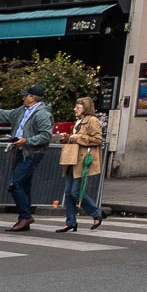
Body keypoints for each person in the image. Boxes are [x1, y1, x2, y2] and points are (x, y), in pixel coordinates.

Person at [0, 86, 56, 232]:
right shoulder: (22, 111)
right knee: (24, 185)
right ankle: (25, 218)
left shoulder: (42, 114)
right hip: (21, 150)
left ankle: (25, 217)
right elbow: (3, 114)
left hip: (32, 152)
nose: (23, 98)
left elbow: (46, 136)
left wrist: (27, 141)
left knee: (15, 184)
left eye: (25, 95)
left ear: (32, 97)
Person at [56, 96, 106, 232]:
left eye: (78, 107)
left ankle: (96, 213)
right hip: (72, 159)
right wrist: (66, 137)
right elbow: (75, 139)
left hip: (82, 160)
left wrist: (78, 137)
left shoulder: (92, 120)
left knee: (75, 192)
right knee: (68, 192)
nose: (75, 109)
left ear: (86, 108)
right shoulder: (78, 122)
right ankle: (71, 221)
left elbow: (98, 139)